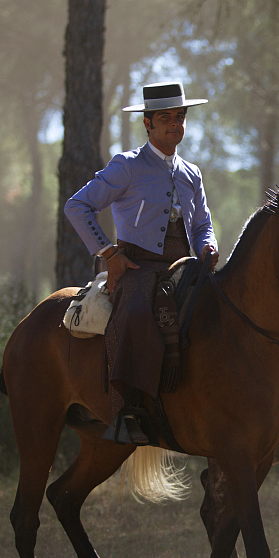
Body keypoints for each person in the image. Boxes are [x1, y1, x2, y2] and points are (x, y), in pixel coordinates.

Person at [64, 81, 219, 445]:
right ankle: (127, 410)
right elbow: (77, 206)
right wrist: (109, 255)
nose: (174, 124)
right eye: (165, 118)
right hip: (136, 266)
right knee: (134, 314)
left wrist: (208, 247)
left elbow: (203, 224)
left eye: (179, 117)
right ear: (147, 123)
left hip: (185, 264)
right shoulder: (127, 166)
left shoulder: (192, 173)